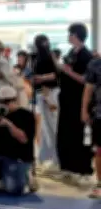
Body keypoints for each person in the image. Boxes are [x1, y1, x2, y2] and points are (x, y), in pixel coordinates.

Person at [57, 22, 93, 183]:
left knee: (78, 134)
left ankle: (82, 169)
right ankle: (67, 167)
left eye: (70, 34)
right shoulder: (71, 53)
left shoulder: (87, 56)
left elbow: (87, 80)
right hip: (66, 99)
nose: (68, 36)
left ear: (77, 36)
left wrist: (69, 72)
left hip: (78, 101)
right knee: (65, 134)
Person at [30, 35, 59, 174]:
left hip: (49, 93)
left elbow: (55, 75)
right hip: (43, 94)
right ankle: (48, 158)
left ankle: (56, 160)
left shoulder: (49, 57)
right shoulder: (37, 58)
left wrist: (40, 78)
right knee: (44, 130)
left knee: (52, 129)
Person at [81, 54, 101, 198]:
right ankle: (100, 184)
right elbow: (88, 89)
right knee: (99, 150)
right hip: (99, 114)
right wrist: (84, 110)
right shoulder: (95, 65)